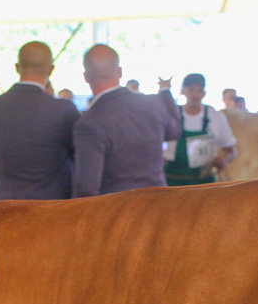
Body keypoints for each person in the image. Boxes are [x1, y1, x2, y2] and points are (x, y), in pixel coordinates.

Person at [72, 44, 182, 198]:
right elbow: (175, 132)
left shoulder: (90, 122)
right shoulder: (153, 103)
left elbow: (87, 187)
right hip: (159, 204)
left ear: (86, 77)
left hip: (119, 214)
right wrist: (165, 92)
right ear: (120, 72)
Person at [0, 41, 80, 200]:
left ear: (17, 67)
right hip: (51, 209)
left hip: (5, 208)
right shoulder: (62, 110)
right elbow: (79, 154)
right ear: (51, 69)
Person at [164, 73, 237, 186]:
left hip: (204, 183)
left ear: (204, 93)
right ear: (183, 91)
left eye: (199, 90)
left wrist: (223, 159)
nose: (195, 95)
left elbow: (230, 151)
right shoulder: (170, 115)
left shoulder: (216, 117)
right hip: (171, 181)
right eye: (191, 90)